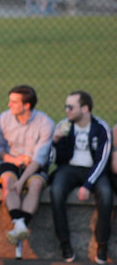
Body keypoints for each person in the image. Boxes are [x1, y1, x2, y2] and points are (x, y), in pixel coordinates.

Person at [49, 91, 112, 264]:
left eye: (71, 107)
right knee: (56, 191)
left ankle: (102, 245)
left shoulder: (101, 128)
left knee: (106, 195)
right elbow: (53, 161)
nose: (67, 110)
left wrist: (88, 184)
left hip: (94, 170)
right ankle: (64, 243)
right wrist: (55, 141)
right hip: (69, 169)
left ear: (84, 109)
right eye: (66, 106)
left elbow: (103, 160)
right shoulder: (64, 126)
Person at [0, 85, 54, 247]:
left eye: (13, 102)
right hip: (11, 161)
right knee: (7, 182)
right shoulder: (4, 119)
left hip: (33, 164)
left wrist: (22, 180)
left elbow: (39, 159)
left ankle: (19, 226)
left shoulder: (45, 123)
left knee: (36, 184)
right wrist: (12, 159)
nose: (8, 105)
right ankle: (20, 225)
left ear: (26, 106)